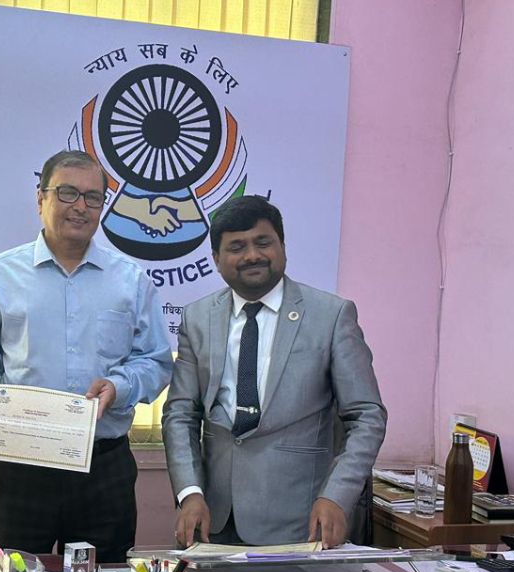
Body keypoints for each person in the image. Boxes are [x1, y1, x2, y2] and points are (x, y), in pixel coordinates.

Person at [0, 149, 172, 563]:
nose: (80, 207)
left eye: (93, 197)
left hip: (101, 468)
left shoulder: (130, 280)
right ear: (41, 198)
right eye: (67, 193)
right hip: (18, 466)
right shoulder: (0, 274)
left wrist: (118, 386)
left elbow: (156, 362)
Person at [162, 195, 387, 549]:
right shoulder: (197, 318)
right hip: (212, 520)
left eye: (263, 242)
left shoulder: (331, 315)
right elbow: (180, 414)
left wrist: (336, 495)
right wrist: (189, 492)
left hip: (303, 521)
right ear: (217, 261)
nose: (252, 255)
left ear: (282, 247)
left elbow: (367, 416)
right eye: (237, 247)